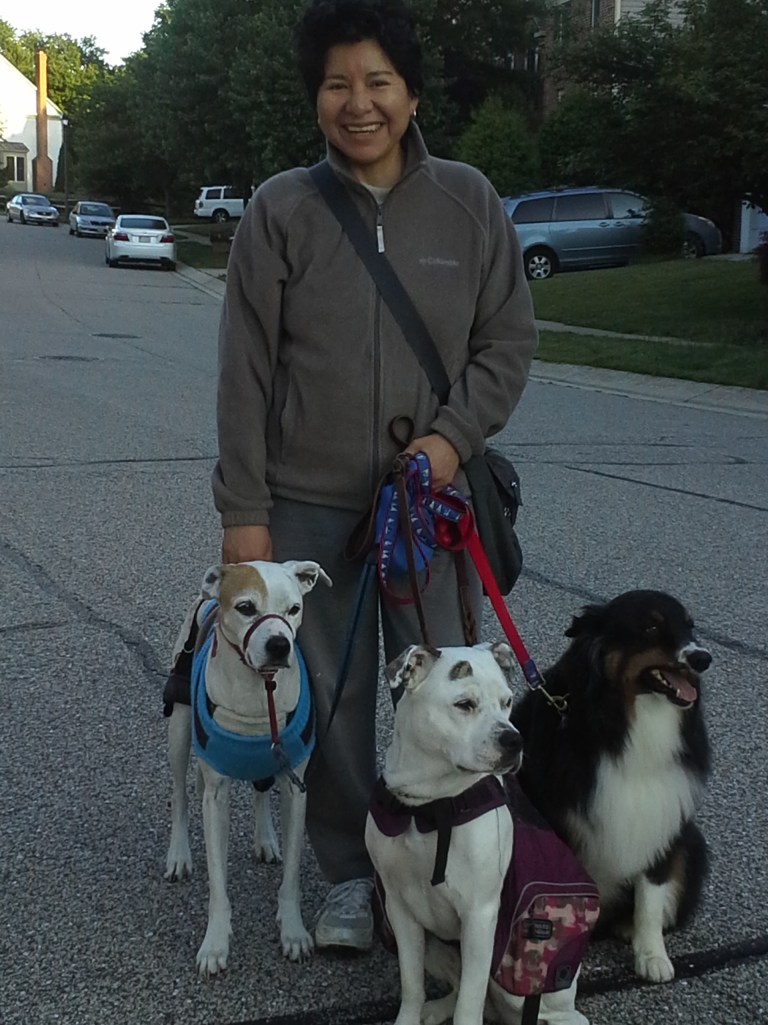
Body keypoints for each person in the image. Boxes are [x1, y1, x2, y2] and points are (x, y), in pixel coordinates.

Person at [211, 0, 538, 952]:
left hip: (429, 503)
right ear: (315, 97)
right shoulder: (281, 210)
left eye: (378, 82)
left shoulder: (469, 201)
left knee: (450, 686)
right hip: (305, 503)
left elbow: (507, 342)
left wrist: (449, 441)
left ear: (414, 93)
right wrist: (245, 511)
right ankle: (357, 876)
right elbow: (245, 371)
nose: (358, 103)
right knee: (335, 693)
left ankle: (456, 872)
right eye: (336, 84)